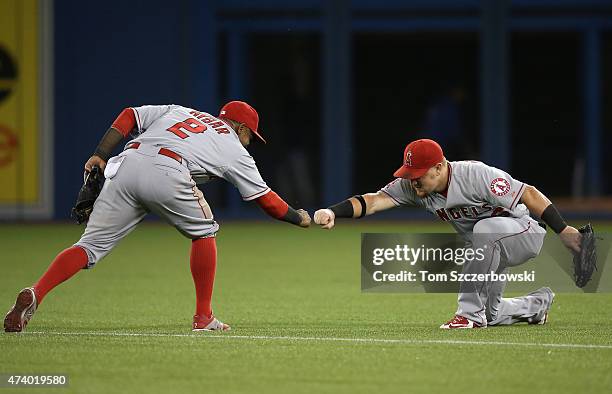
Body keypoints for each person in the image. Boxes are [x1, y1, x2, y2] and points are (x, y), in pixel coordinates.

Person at [4, 101, 311, 333]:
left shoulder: (179, 111)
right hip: (168, 170)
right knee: (204, 232)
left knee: (88, 246)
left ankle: (37, 291)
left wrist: (100, 153)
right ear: (241, 128)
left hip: (125, 163)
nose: (250, 142)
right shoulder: (235, 148)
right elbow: (266, 201)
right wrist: (300, 218)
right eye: (251, 136)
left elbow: (129, 115)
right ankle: (203, 317)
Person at [314, 139, 581, 329]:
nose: (413, 180)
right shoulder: (412, 187)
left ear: (440, 167)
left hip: (523, 232)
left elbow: (528, 193)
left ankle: (468, 315)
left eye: (419, 174)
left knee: (484, 230)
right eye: (409, 174)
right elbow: (371, 201)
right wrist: (334, 211)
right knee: (493, 312)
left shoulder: (475, 175)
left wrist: (563, 229)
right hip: (486, 248)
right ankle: (536, 306)